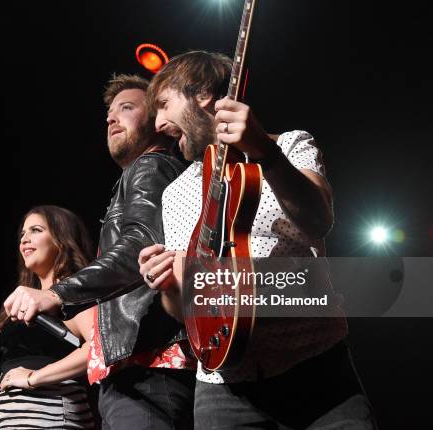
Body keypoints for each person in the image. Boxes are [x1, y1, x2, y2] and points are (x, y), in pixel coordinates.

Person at [139, 50, 376, 429]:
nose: (158, 122)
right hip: (223, 391)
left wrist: (266, 153)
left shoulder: (292, 144)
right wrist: (166, 285)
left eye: (164, 104)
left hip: (318, 374)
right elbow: (186, 307)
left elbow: (319, 221)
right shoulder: (174, 193)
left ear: (201, 93)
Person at [3, 75, 196, 429]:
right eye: (109, 112)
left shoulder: (150, 166)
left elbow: (141, 243)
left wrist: (58, 294)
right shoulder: (144, 174)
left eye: (126, 108)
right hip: (134, 372)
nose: (111, 118)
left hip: (148, 369)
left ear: (158, 120)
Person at [0, 205, 96, 430]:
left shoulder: (73, 296)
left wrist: (34, 378)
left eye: (36, 230)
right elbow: (7, 377)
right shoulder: (22, 304)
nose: (24, 239)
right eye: (22, 233)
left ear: (62, 240)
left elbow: (99, 348)